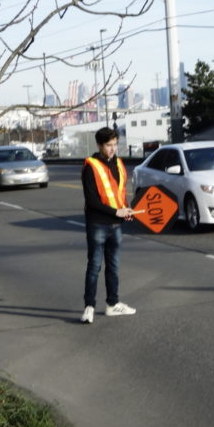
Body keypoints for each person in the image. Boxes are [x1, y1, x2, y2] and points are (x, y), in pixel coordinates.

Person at [81, 127, 138, 324]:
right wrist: (116, 212)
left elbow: (119, 195)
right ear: (99, 145)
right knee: (94, 266)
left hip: (116, 225)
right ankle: (89, 307)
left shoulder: (119, 164)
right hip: (97, 224)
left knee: (113, 267)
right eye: (108, 145)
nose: (113, 149)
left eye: (115, 145)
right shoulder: (91, 166)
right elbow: (92, 200)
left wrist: (126, 210)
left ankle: (113, 305)